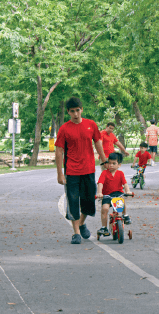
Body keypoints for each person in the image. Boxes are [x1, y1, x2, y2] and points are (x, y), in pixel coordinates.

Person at [55, 97, 107, 245]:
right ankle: (76, 233)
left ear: (82, 109)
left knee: (89, 200)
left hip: (88, 169)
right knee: (73, 201)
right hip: (71, 171)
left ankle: (82, 223)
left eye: (78, 110)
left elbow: (98, 143)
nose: (76, 114)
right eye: (72, 111)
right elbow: (59, 151)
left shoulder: (91, 125)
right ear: (68, 112)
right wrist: (59, 173)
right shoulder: (64, 128)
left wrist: (104, 161)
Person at [96, 153, 133, 236]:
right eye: (109, 163)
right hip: (107, 195)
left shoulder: (120, 173)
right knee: (105, 209)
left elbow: (125, 184)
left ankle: (125, 215)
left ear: (119, 165)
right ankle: (104, 227)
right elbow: (100, 183)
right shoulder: (104, 173)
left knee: (121, 203)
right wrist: (99, 192)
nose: (111, 165)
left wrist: (128, 191)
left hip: (117, 194)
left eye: (114, 163)